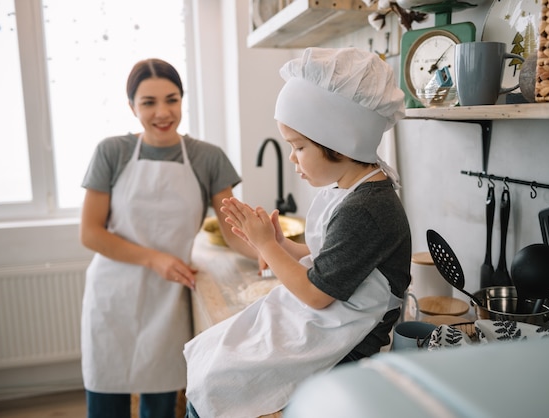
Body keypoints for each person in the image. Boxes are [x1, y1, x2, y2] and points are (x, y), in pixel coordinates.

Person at [183, 47, 412, 418]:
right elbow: (332, 258)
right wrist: (279, 244)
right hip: (328, 324)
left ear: (339, 139)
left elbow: (315, 293)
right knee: (216, 362)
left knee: (219, 381)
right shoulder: (352, 190)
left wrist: (265, 245)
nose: (292, 158)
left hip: (346, 346)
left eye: (299, 146)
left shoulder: (367, 209)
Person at [79, 58, 256, 418]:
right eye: (149, 102)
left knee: (160, 404)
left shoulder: (208, 158)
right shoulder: (111, 152)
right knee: (105, 404)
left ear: (181, 99)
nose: (163, 112)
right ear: (132, 107)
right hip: (113, 295)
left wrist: (269, 252)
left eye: (172, 99)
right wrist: (155, 258)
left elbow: (233, 231)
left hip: (167, 299)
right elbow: (90, 233)